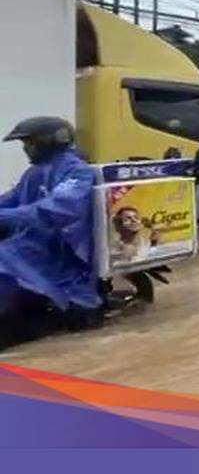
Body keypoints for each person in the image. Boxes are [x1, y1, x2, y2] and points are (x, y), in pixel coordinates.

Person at [0, 117, 102, 348]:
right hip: (30, 245)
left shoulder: (77, 171)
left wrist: (4, 217)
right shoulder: (34, 173)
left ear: (51, 141)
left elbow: (53, 210)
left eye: (30, 143)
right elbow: (10, 200)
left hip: (61, 256)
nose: (26, 149)